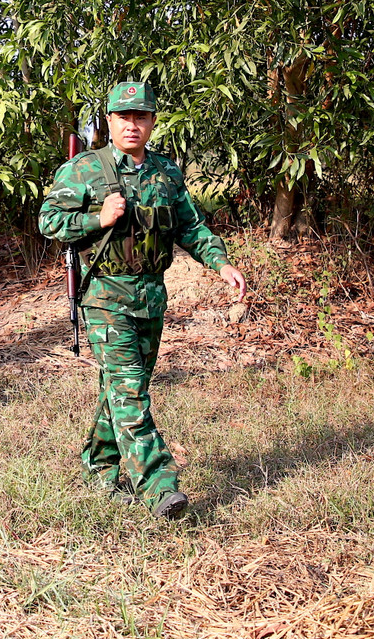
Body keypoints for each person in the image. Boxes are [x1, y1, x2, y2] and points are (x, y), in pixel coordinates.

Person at [38, 82, 246, 519]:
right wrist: (97, 218)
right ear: (109, 121)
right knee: (130, 390)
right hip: (105, 297)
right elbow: (49, 221)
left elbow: (190, 226)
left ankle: (99, 468)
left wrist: (220, 263)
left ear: (152, 122)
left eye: (141, 117)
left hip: (151, 296)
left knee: (121, 389)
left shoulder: (165, 173)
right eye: (123, 117)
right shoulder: (83, 169)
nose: (132, 125)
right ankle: (159, 486)